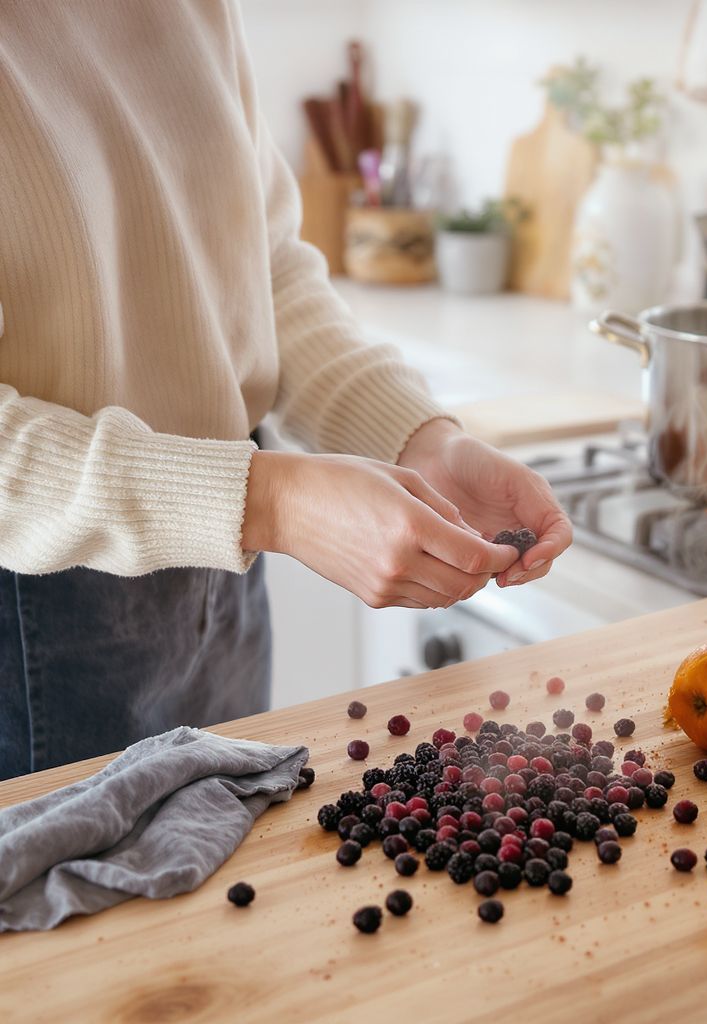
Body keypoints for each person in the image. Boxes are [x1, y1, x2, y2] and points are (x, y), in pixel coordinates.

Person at [0, 2, 571, 781]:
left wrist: (420, 441)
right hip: (37, 612)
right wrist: (274, 501)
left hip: (225, 579)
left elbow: (264, 272)